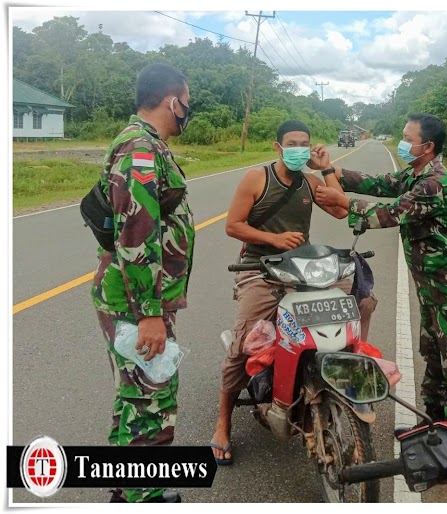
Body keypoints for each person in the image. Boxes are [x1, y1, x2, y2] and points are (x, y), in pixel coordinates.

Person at [210, 120, 378, 464]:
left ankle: (349, 365)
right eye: (292, 142)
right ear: (278, 146)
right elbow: (233, 226)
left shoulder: (309, 180)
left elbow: (341, 208)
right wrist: (273, 240)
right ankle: (223, 422)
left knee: (363, 300)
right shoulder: (258, 178)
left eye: (305, 142)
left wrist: (327, 168)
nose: (299, 147)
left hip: (303, 267)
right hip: (258, 267)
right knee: (245, 340)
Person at [314, 114, 447, 425]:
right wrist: (328, 168)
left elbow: (392, 213)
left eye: (409, 139)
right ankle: (434, 422)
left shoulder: (434, 183)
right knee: (434, 352)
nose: (403, 143)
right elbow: (379, 184)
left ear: (428, 146)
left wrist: (344, 202)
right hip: (432, 284)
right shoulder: (415, 174)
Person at [90, 63, 195, 503]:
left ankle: (123, 484)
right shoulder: (140, 148)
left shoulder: (143, 143)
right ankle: (145, 495)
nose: (187, 112)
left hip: (133, 297)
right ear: (172, 102)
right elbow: (136, 234)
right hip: (137, 301)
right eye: (185, 104)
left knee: (134, 392)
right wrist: (150, 313)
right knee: (153, 395)